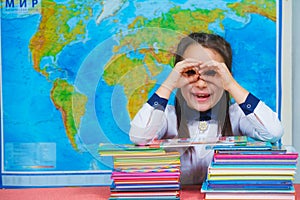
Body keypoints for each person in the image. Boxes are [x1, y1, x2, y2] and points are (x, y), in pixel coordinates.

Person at [129, 32, 284, 184]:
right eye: (190, 72)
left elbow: (273, 132)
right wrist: (169, 83)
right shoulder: (167, 116)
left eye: (212, 73)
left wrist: (231, 85)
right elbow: (139, 136)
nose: (201, 84)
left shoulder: (236, 115)